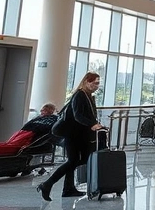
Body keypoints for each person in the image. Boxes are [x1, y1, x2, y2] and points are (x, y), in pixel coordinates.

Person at [37, 72, 104, 202]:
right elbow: (78, 115)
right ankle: (48, 184)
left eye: (98, 83)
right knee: (73, 161)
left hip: (79, 133)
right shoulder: (79, 95)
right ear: (86, 82)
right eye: (94, 83)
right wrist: (93, 124)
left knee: (79, 159)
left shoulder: (88, 96)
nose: (96, 86)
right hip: (72, 134)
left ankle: (68, 188)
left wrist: (95, 124)